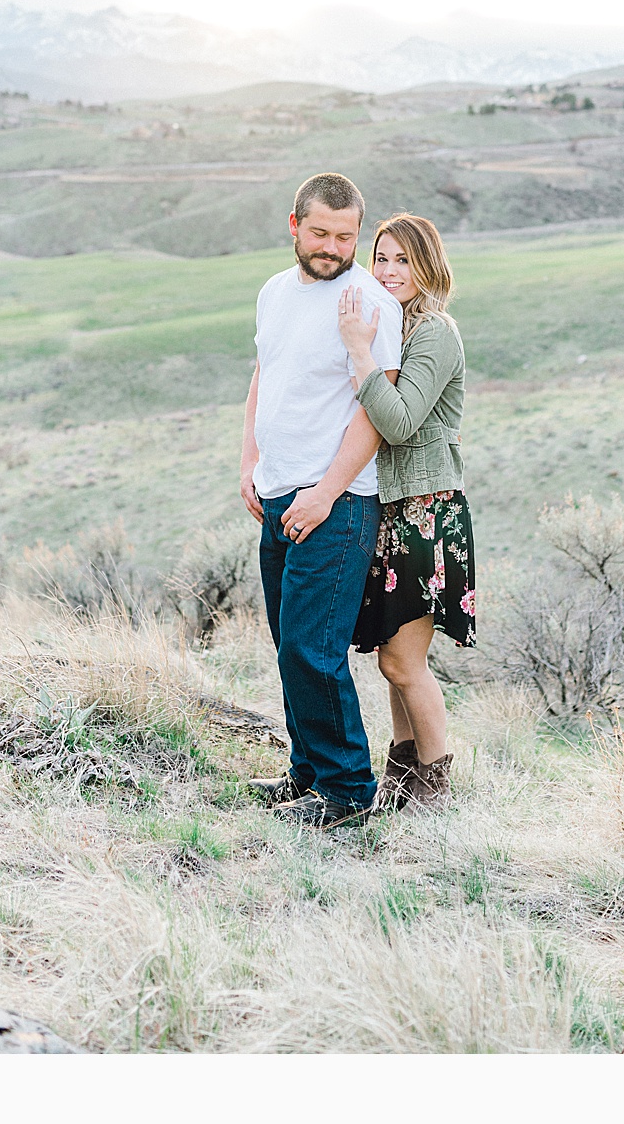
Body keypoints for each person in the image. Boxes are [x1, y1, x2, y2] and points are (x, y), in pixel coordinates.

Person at [240, 172, 403, 829]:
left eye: (346, 236)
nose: (334, 247)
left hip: (335, 503)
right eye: (321, 234)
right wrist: (249, 460)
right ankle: (306, 774)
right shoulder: (275, 292)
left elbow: (375, 405)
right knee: (289, 645)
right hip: (276, 491)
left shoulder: (368, 302)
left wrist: (325, 492)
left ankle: (346, 794)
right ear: (294, 226)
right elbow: (263, 373)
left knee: (314, 648)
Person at [339, 214, 475, 810]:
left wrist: (359, 354)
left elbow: (398, 421)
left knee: (403, 660)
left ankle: (435, 783)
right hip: (388, 511)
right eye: (382, 258)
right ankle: (401, 778)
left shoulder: (435, 333)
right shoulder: (391, 328)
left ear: (429, 266)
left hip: (426, 512)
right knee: (389, 660)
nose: (390, 272)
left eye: (403, 260)